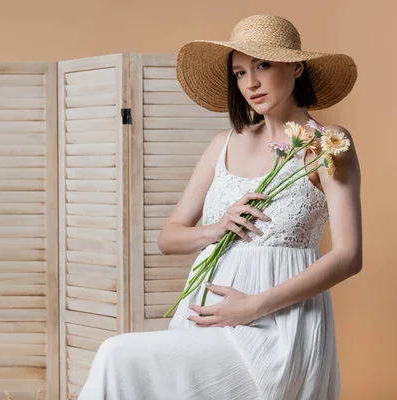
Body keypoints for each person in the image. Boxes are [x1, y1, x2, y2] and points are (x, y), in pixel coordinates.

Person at [78, 14, 362, 400]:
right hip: (205, 318)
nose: (251, 83)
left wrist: (253, 307)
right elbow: (169, 238)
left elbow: (348, 256)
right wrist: (218, 228)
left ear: (296, 66)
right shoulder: (223, 144)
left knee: (118, 355)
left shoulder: (327, 143)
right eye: (240, 72)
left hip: (279, 329)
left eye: (263, 65)